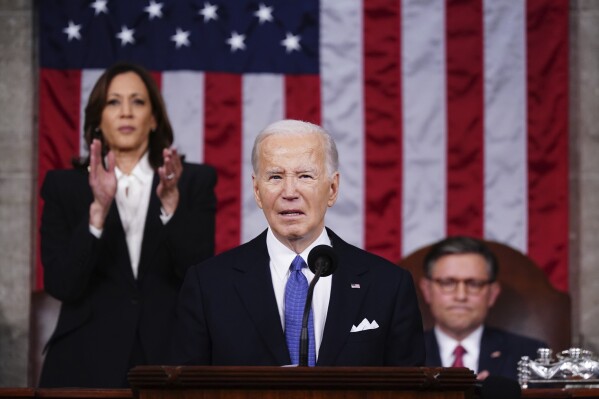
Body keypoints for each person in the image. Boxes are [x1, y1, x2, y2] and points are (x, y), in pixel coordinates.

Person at [170, 119, 425, 366]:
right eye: (275, 177)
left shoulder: (388, 285)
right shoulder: (209, 286)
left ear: (333, 189)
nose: (289, 192)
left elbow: (409, 390)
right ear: (257, 191)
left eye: (304, 176)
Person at [38, 62, 217, 388]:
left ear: (153, 119)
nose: (125, 112)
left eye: (137, 101)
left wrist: (170, 207)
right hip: (83, 362)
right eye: (113, 102)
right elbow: (62, 284)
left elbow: (200, 276)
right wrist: (97, 213)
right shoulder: (62, 187)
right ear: (98, 120)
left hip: (169, 360)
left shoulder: (193, 182)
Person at [419, 236, 547, 380]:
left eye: (474, 284)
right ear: (427, 290)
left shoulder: (529, 354)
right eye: (448, 283)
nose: (461, 296)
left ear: (492, 293)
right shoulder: (401, 354)